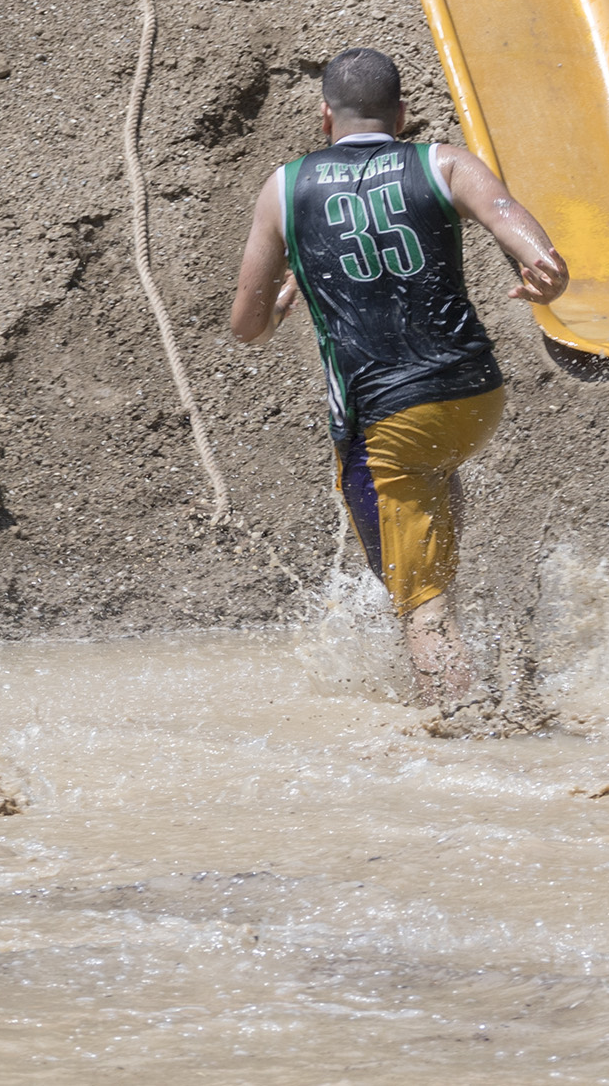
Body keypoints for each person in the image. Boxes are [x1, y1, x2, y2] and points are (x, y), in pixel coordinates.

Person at [226, 47, 567, 708]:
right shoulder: (441, 160)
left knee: (417, 602)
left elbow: (246, 325)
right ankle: (461, 656)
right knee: (433, 492)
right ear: (403, 114)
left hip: (388, 417)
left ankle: (465, 728)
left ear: (325, 117)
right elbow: (503, 211)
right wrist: (543, 261)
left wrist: (276, 309)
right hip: (474, 395)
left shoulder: (284, 186)